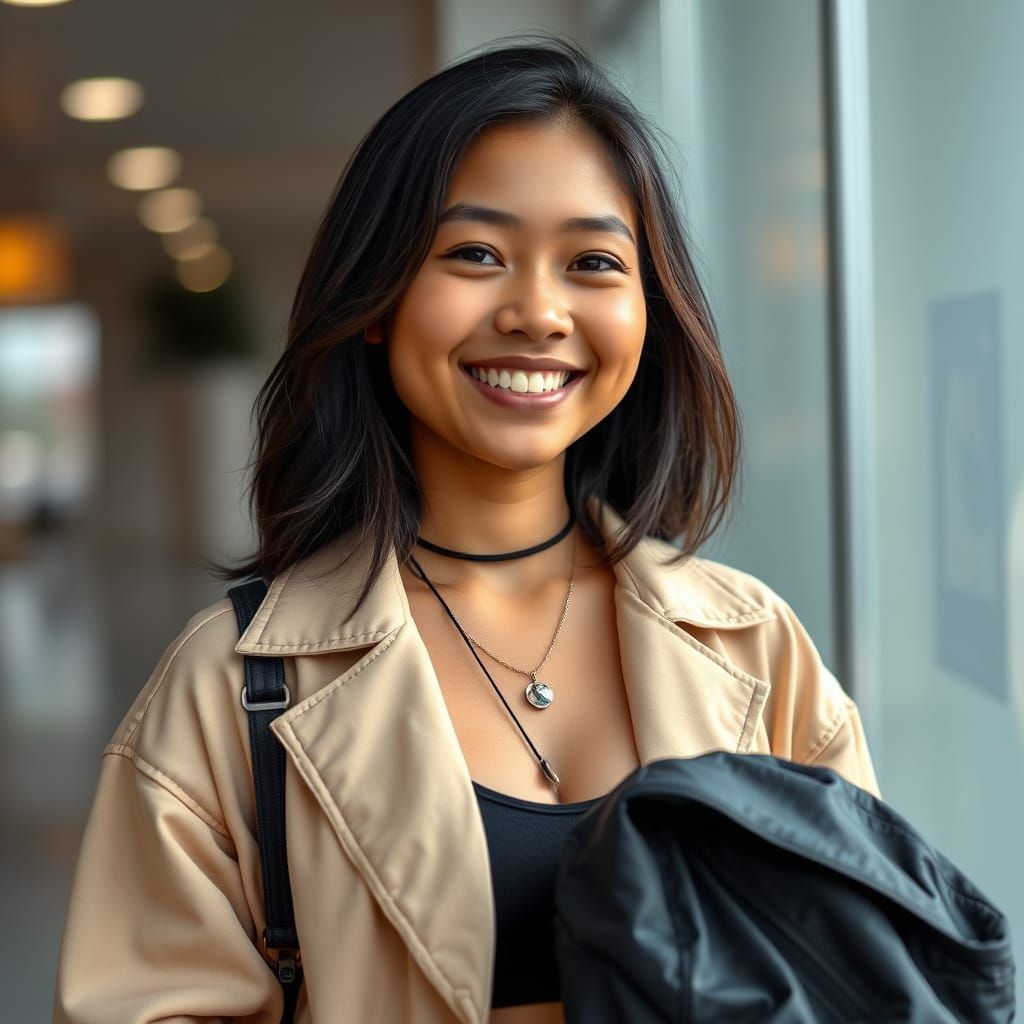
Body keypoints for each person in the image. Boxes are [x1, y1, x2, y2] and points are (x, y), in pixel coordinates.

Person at [53, 36, 881, 1024]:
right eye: (475, 254)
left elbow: (863, 976)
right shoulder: (231, 686)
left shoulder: (758, 647)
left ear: (647, 311)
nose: (536, 311)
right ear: (376, 298)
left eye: (592, 262)